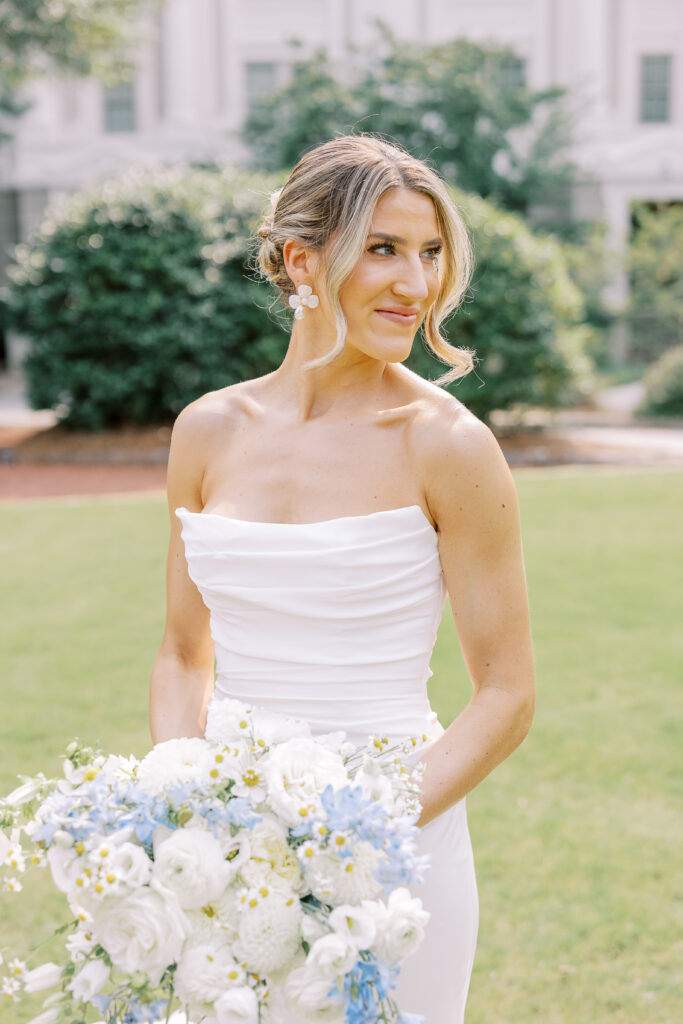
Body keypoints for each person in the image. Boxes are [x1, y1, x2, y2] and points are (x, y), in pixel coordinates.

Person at [149, 134, 535, 1023]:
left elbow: (506, 694)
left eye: (431, 253)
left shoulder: (446, 444)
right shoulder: (206, 431)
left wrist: (356, 836)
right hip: (230, 842)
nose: (416, 283)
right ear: (300, 261)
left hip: (397, 842)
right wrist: (181, 802)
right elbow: (180, 651)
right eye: (384, 249)